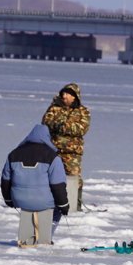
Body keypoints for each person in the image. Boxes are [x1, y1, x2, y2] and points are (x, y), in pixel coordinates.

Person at [1, 123, 70, 246]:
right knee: (56, 209)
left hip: (20, 200)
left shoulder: (13, 154)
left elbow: (5, 180)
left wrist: (8, 199)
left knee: (29, 207)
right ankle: (45, 238)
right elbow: (58, 185)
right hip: (44, 201)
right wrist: (63, 205)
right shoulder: (53, 157)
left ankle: (27, 239)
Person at [42, 82, 91, 210]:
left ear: (74, 96)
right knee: (49, 176)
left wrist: (62, 126)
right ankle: (49, 204)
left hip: (72, 152)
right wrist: (59, 125)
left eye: (68, 94)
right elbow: (46, 123)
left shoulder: (83, 111)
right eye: (63, 93)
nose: (64, 96)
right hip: (53, 150)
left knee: (74, 177)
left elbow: (81, 129)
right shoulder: (54, 109)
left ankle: (75, 205)